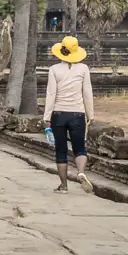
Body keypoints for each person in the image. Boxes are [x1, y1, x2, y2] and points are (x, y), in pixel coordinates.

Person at [44, 36, 95, 195]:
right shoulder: (83, 69)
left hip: (58, 114)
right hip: (77, 114)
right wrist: (90, 114)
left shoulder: (54, 69)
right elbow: (87, 93)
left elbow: (51, 94)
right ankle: (80, 172)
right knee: (80, 148)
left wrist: (46, 116)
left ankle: (64, 186)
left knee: (61, 151)